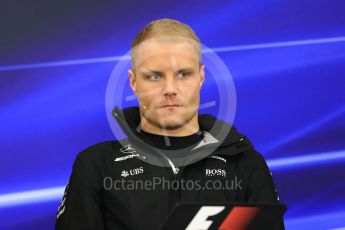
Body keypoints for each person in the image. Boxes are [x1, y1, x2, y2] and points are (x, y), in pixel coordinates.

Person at [55, 18, 284, 230]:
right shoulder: (95, 166)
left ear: (201, 78)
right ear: (133, 82)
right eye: (155, 76)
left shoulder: (245, 165)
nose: (170, 89)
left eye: (183, 74)